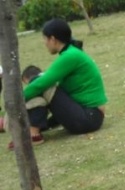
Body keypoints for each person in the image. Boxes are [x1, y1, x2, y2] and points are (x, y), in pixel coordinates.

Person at [7, 18, 107, 149]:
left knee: (42, 84)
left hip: (89, 118)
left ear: (53, 39)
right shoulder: (71, 52)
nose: (44, 43)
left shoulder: (70, 56)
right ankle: (33, 130)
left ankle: (32, 133)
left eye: (45, 39)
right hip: (88, 115)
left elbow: (41, 84)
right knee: (41, 85)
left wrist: (14, 102)